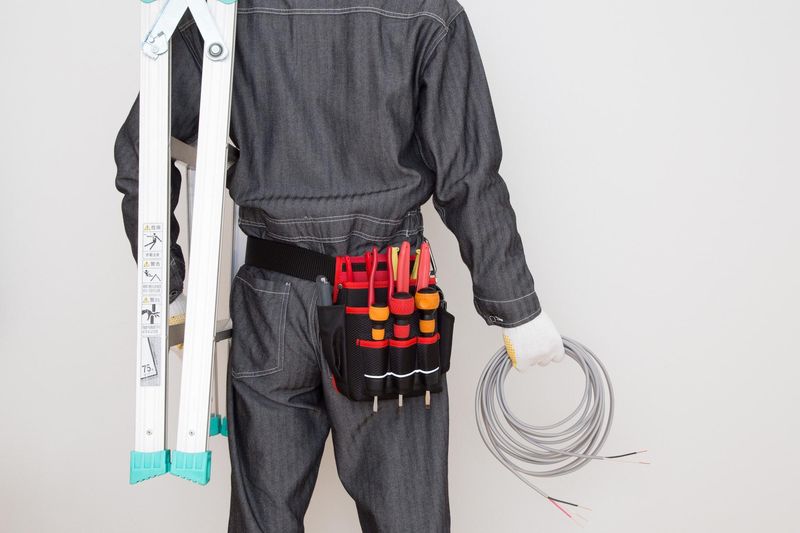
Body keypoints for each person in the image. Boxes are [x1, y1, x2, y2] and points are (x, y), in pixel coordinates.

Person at [115, 1, 564, 531]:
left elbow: (143, 148)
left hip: (273, 301)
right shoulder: (426, 11)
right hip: (387, 298)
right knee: (408, 521)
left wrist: (167, 287)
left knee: (264, 522)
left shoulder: (222, 13)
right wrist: (515, 307)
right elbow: (468, 176)